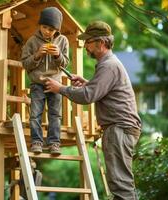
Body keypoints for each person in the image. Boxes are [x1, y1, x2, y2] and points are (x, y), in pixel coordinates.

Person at [44, 21, 141, 200]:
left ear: (101, 43)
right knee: (122, 183)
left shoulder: (109, 65)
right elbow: (103, 91)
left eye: (88, 42)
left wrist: (60, 89)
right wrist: (87, 82)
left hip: (119, 129)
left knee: (120, 184)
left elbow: (88, 96)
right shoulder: (109, 64)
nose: (86, 46)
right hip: (120, 128)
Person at [21, 7, 69, 155]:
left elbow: (65, 63)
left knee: (55, 114)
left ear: (57, 29)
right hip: (37, 83)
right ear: (39, 25)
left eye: (51, 29)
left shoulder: (62, 41)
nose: (47, 31)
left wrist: (57, 55)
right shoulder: (32, 41)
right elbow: (25, 63)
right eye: (44, 27)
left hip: (55, 84)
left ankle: (54, 143)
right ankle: (36, 141)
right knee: (35, 114)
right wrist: (37, 55)